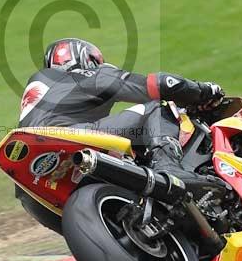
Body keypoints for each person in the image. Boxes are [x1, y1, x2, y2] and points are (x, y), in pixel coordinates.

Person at [18, 38, 224, 186]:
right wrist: (205, 91)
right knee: (156, 106)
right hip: (70, 135)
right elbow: (158, 85)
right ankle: (169, 167)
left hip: (29, 171)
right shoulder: (89, 75)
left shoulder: (39, 89)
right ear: (86, 59)